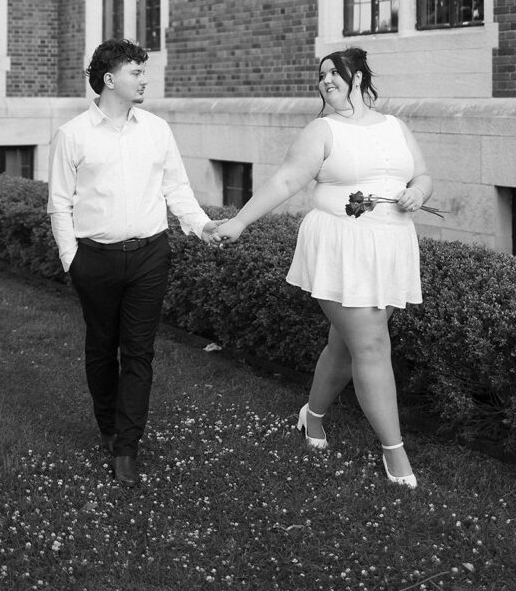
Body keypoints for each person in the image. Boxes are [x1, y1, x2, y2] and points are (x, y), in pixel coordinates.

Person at [217, 46, 432, 488]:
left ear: (358, 78)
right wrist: (239, 222)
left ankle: (311, 417)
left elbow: (423, 176)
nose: (326, 80)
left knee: (344, 345)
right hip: (340, 246)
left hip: (390, 246)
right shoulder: (322, 130)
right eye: (321, 75)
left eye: (334, 72)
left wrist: (419, 194)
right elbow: (286, 180)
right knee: (372, 345)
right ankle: (396, 454)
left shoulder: (395, 126)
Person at [48, 38, 221, 488]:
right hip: (96, 260)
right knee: (102, 350)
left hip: (149, 256)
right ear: (109, 80)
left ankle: (127, 446)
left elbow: (177, 189)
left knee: (140, 352)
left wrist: (201, 226)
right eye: (136, 72)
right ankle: (107, 426)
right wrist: (73, 260)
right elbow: (59, 203)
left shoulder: (157, 130)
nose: (145, 79)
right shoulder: (73, 135)